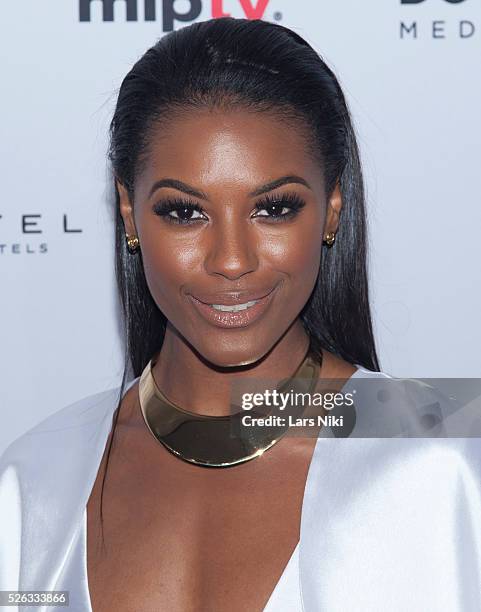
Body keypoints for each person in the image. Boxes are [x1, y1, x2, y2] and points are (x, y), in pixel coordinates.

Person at [1, 16, 481, 612]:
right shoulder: (32, 483)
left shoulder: (451, 461)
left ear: (332, 209)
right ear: (128, 212)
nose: (231, 261)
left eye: (274, 208)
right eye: (184, 212)